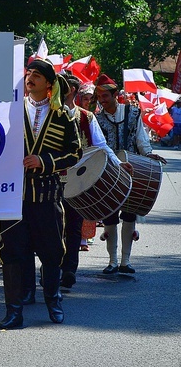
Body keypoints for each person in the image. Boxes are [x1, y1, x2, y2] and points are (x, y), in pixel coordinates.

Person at [0, 61, 81, 329]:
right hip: (13, 194)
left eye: (37, 75)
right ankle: (14, 311)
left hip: (46, 195)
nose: (30, 78)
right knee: (11, 251)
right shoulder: (9, 109)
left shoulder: (64, 116)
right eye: (28, 74)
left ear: (49, 83)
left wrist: (44, 161)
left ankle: (53, 300)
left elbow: (75, 153)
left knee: (52, 250)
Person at [93, 74, 166, 274]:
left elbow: (141, 139)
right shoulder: (97, 119)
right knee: (109, 217)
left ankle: (125, 261)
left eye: (105, 96)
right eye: (99, 96)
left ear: (115, 95)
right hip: (108, 172)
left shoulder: (133, 114)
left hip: (132, 170)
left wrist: (149, 154)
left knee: (129, 213)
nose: (102, 100)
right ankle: (112, 261)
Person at [58, 74, 123, 288]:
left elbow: (101, 145)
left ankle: (69, 270)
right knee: (53, 226)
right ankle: (53, 267)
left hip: (79, 181)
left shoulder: (86, 117)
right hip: (51, 179)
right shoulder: (49, 114)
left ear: (72, 91)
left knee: (74, 226)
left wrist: (118, 165)